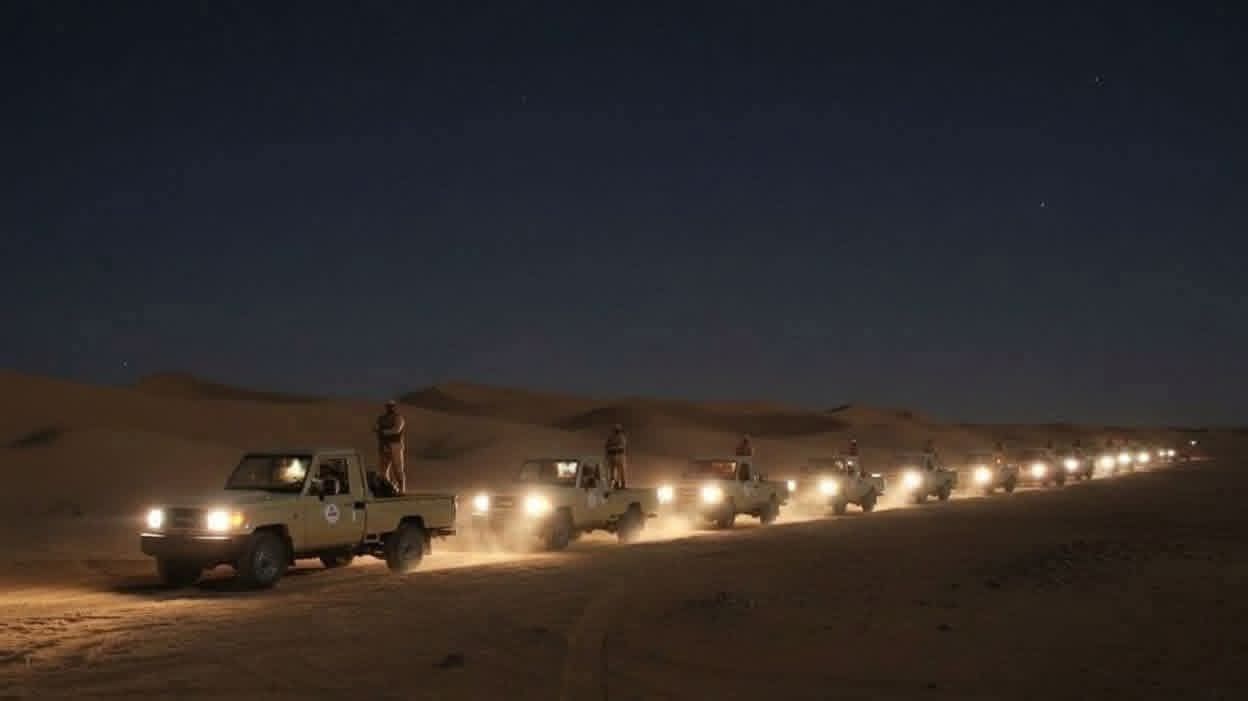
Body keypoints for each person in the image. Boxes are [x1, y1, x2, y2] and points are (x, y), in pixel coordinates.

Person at [375, 400, 406, 493]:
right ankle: (389, 488)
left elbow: (396, 430)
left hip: (395, 445)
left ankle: (402, 489)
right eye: (388, 406)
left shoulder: (399, 418)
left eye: (392, 406)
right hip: (384, 445)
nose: (390, 408)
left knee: (398, 468)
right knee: (383, 470)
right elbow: (375, 428)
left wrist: (383, 432)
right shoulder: (381, 418)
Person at [605, 424, 627, 489]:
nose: (617, 431)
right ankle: (615, 484)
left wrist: (613, 448)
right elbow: (606, 446)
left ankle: (622, 484)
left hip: (619, 455)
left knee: (621, 470)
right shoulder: (611, 437)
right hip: (612, 455)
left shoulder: (622, 437)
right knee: (612, 471)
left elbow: (622, 447)